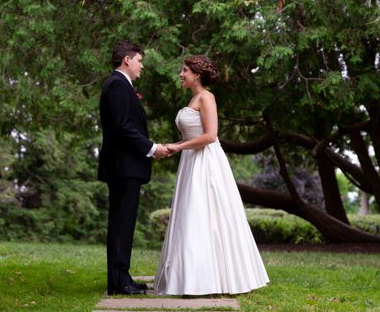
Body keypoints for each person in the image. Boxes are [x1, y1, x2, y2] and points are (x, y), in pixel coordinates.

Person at [154, 55, 269, 296]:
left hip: (205, 162)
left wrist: (179, 147)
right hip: (191, 161)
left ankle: (211, 280)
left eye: (185, 70)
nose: (181, 74)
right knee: (190, 215)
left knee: (203, 214)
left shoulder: (207, 97)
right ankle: (189, 278)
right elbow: (193, 136)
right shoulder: (193, 98)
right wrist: (173, 148)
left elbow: (210, 136)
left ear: (197, 75)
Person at [98, 40, 170, 296]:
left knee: (124, 223)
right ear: (127, 60)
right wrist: (151, 148)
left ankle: (122, 276)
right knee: (121, 223)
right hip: (123, 167)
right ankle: (119, 282)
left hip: (125, 166)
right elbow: (122, 127)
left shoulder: (119, 85)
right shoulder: (117, 85)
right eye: (139, 61)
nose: (142, 66)